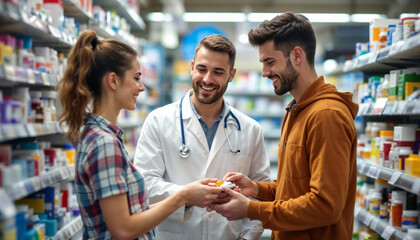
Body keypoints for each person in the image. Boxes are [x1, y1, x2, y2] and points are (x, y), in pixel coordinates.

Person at [57, 30, 223, 239]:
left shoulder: (99, 135)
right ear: (113, 81)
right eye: (136, 78)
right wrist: (183, 195)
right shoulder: (104, 143)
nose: (142, 87)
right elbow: (123, 229)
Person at [208, 12, 359, 240]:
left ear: (297, 55)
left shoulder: (326, 115)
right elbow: (294, 188)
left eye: (270, 62)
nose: (265, 72)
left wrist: (251, 209)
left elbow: (326, 206)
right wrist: (257, 189)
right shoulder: (296, 110)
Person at [133, 34, 271, 240]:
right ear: (192, 67)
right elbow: (144, 186)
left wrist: (247, 238)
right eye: (201, 69)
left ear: (231, 75)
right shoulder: (158, 121)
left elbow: (260, 195)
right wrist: (187, 195)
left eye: (218, 72)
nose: (207, 79)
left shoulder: (250, 129)